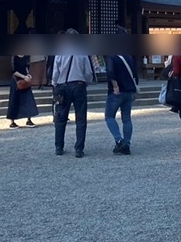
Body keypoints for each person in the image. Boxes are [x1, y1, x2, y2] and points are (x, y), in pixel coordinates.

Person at [52, 28, 95, 157]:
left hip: (62, 86)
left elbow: (55, 71)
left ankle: (59, 147)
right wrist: (86, 82)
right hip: (78, 85)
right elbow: (88, 72)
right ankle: (79, 148)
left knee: (61, 117)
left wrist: (54, 84)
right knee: (81, 118)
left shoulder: (60, 51)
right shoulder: (82, 52)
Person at [104, 27, 138, 154]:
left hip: (117, 91)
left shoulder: (112, 56)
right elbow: (135, 74)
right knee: (127, 118)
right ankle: (127, 143)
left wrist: (115, 86)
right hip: (129, 90)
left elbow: (110, 72)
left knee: (109, 116)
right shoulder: (129, 56)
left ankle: (119, 141)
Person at [6, 53, 38, 128]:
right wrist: (23, 76)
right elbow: (13, 70)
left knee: (28, 99)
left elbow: (26, 67)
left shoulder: (26, 57)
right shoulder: (14, 57)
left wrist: (28, 75)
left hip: (25, 80)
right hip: (16, 80)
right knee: (14, 100)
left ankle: (29, 119)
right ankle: (12, 121)